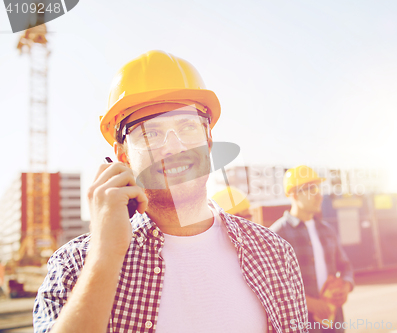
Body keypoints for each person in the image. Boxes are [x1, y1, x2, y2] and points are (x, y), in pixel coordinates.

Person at [33, 51, 308, 333]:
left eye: (188, 126)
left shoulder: (273, 254)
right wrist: (105, 256)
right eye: (150, 133)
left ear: (209, 140)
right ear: (122, 155)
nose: (174, 147)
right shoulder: (75, 265)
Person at [269, 165, 354, 333]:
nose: (319, 195)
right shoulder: (275, 235)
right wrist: (307, 302)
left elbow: (345, 266)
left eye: (319, 188)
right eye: (311, 189)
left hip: (333, 321)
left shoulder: (327, 230)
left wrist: (346, 285)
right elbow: (272, 285)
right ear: (293, 194)